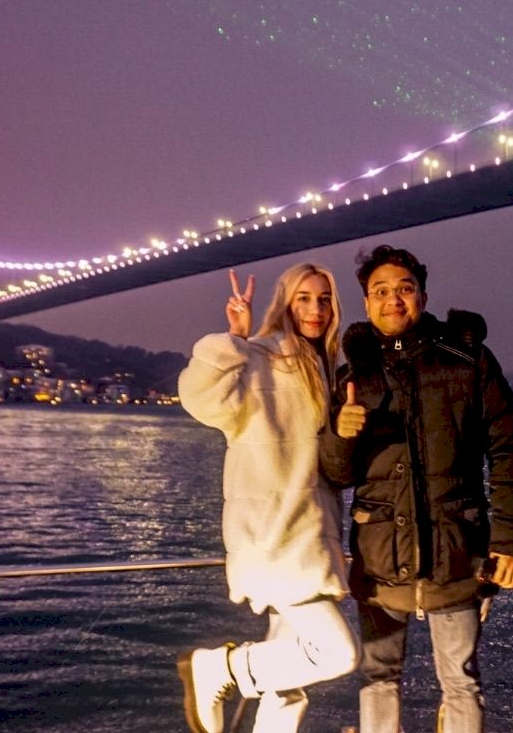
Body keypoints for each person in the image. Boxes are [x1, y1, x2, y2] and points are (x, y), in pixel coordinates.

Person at [319, 244, 513, 733]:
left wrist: (510, 543)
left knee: (460, 679)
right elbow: (336, 474)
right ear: (366, 303)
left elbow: (509, 454)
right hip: (379, 557)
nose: (393, 299)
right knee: (378, 677)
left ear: (423, 295)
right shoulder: (353, 376)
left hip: (455, 552)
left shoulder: (467, 360)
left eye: (404, 289)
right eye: (380, 292)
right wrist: (340, 433)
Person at [177, 264, 360, 733]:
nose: (315, 309)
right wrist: (233, 340)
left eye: (324, 299)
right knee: (336, 653)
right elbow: (200, 399)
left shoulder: (328, 366)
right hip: (275, 538)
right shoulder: (261, 356)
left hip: (308, 535)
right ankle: (222, 668)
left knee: (288, 686)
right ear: (284, 303)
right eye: (303, 298)